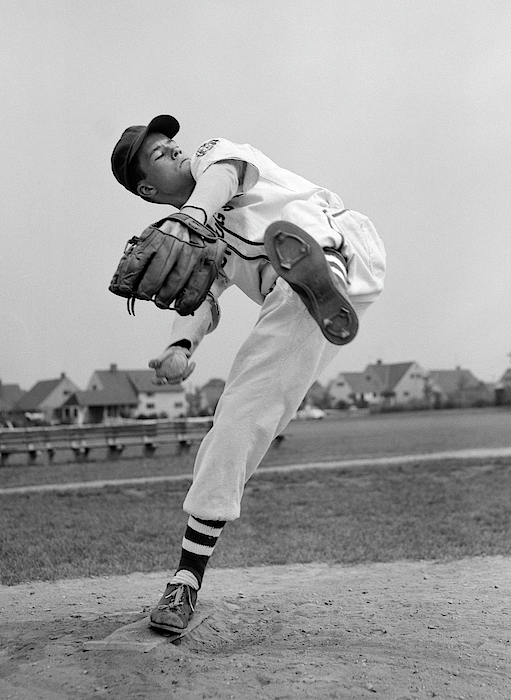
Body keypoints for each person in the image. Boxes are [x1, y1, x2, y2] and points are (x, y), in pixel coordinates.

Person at [111, 115, 386, 633]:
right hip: (306, 293)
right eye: (157, 154)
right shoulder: (202, 237)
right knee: (241, 419)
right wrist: (179, 344)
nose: (173, 150)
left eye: (170, 142)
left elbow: (226, 175)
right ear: (147, 188)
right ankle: (186, 581)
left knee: (240, 406)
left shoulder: (211, 158)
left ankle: (320, 270)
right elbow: (202, 296)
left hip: (330, 233)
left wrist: (190, 215)